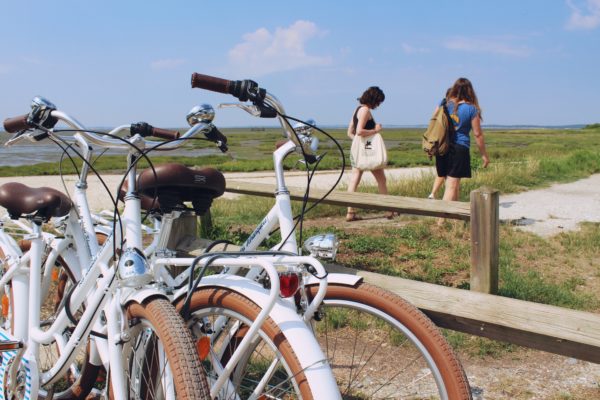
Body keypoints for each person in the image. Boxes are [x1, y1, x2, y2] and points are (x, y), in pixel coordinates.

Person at [440, 77, 490, 204]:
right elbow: (477, 134)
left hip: (443, 147)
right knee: (452, 186)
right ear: (470, 91)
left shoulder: (445, 104)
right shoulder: (471, 109)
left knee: (453, 184)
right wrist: (484, 155)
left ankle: (455, 220)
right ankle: (440, 222)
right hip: (459, 148)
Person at [346, 86, 391, 222]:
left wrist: (358, 144)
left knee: (354, 180)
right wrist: (375, 130)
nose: (378, 105)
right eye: (378, 102)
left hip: (359, 151)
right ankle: (388, 210)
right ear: (374, 100)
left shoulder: (357, 109)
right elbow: (359, 131)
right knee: (382, 180)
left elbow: (350, 132)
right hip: (368, 152)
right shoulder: (365, 110)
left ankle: (350, 212)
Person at [428, 88, 452, 200]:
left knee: (441, 171)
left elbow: (434, 118)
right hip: (448, 142)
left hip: (438, 141)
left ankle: (433, 194)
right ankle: (448, 198)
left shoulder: (441, 103)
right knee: (448, 174)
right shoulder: (453, 106)